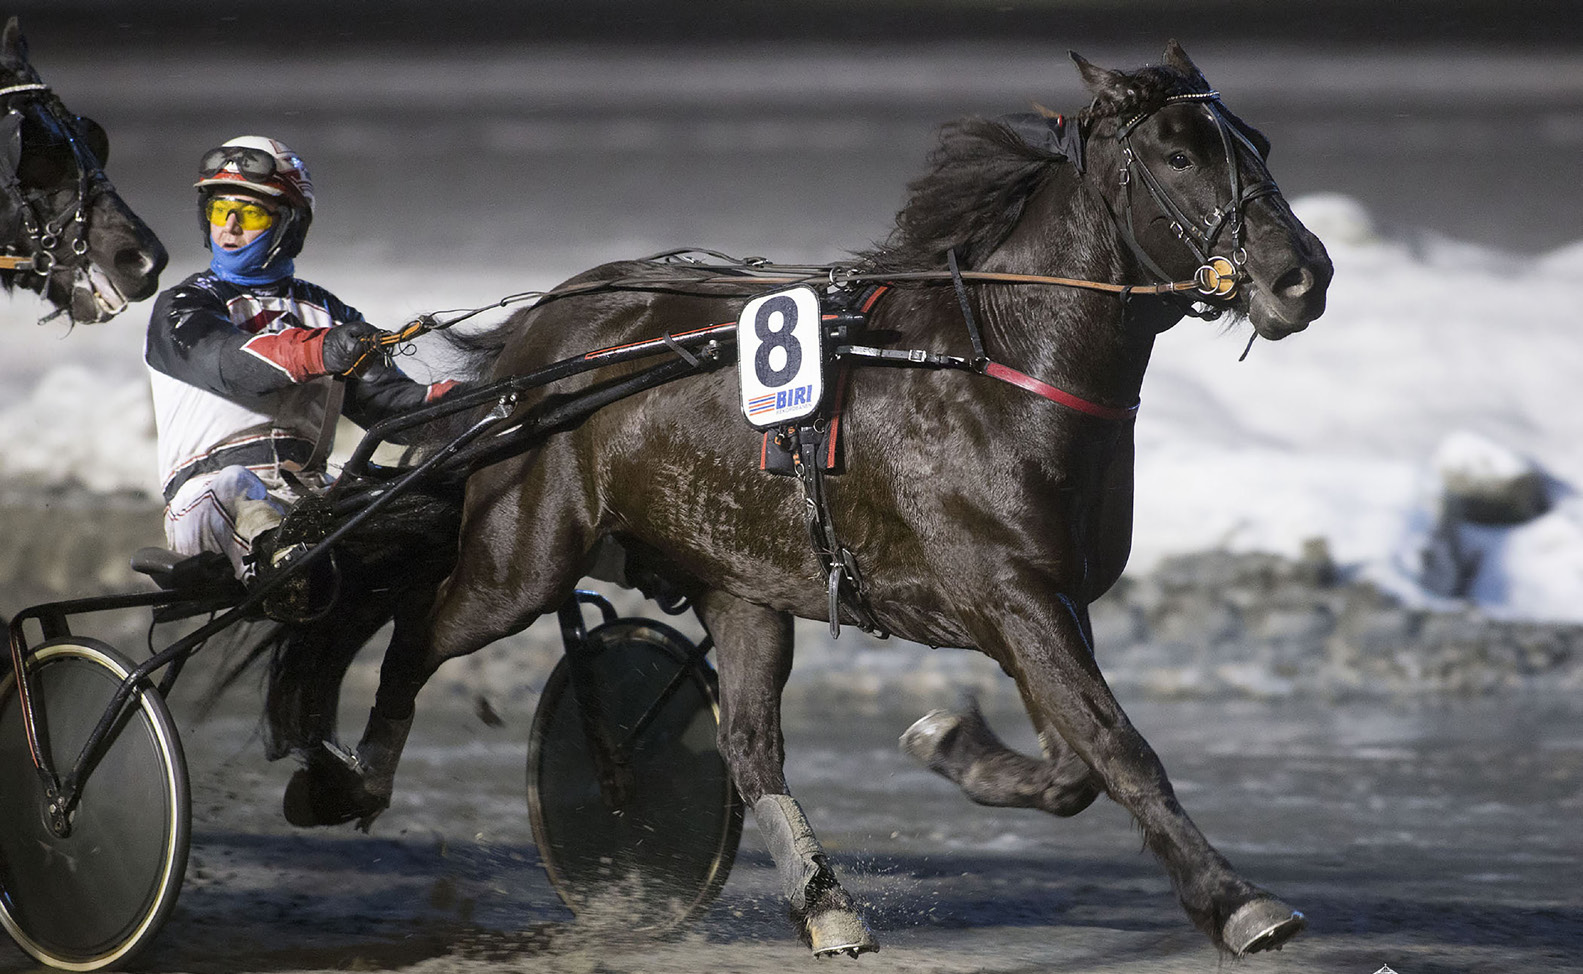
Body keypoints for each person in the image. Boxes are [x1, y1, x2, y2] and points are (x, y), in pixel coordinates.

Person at [145, 136, 457, 597]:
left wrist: (476, 399)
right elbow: (233, 366)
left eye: (248, 215)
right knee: (236, 485)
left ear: (288, 225)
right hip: (206, 502)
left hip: (309, 498)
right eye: (219, 210)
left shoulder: (331, 313)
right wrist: (322, 350)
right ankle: (286, 572)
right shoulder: (182, 306)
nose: (228, 228)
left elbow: (395, 409)